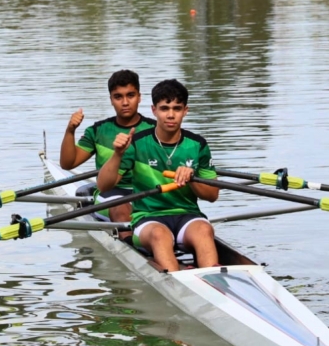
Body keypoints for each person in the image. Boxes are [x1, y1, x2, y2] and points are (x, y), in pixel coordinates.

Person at [97, 79, 220, 272]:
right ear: (154, 110)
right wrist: (118, 154)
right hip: (148, 218)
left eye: (177, 108)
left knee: (205, 230)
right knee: (159, 235)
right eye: (164, 108)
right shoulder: (136, 143)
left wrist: (192, 178)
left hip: (188, 216)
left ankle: (214, 280)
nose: (170, 115)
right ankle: (175, 282)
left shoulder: (198, 145)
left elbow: (212, 195)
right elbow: (103, 186)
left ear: (185, 111)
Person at [59, 69, 156, 238]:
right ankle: (132, 246)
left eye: (130, 95)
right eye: (118, 97)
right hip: (111, 193)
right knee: (121, 208)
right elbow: (68, 164)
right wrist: (70, 130)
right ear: (111, 99)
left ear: (139, 97)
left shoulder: (157, 130)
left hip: (148, 191)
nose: (125, 102)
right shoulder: (98, 131)